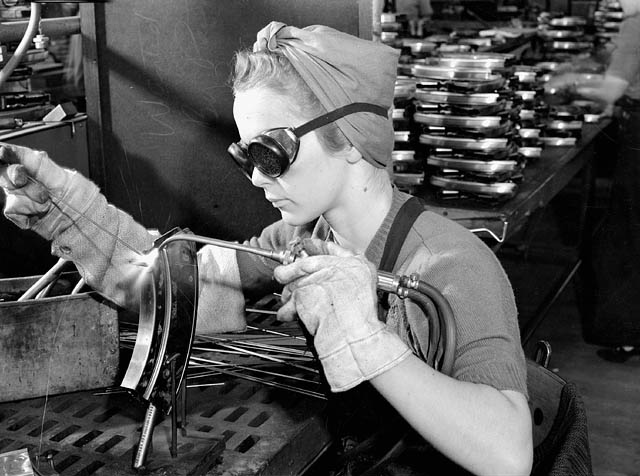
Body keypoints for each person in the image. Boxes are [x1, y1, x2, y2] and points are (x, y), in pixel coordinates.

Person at [0, 22, 532, 475]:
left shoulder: (451, 265)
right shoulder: (298, 241)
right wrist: (66, 210)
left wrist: (364, 336)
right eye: (243, 155)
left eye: (270, 152)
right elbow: (166, 283)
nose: (256, 178)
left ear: (347, 138)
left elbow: (509, 455)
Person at [545, 0, 640, 363]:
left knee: (627, 236)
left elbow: (609, 93)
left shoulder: (636, 25)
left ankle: (625, 334)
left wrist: (568, 82)